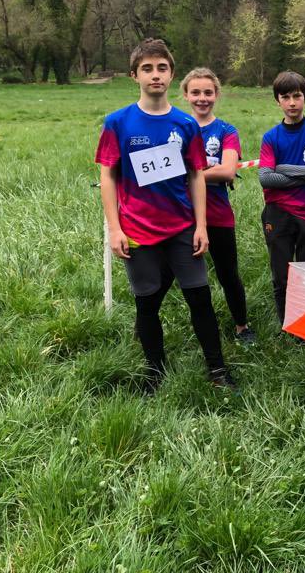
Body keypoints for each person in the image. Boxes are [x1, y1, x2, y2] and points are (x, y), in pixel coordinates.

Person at [95, 38, 235, 393]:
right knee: (146, 304)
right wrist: (114, 229)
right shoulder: (117, 123)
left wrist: (201, 225)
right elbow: (108, 176)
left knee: (200, 299)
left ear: (171, 74)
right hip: (138, 230)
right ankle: (154, 373)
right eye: (147, 69)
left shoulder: (186, 125)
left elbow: (195, 176)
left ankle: (217, 370)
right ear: (134, 75)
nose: (155, 75)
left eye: (161, 68)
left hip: (182, 230)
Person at [180, 67, 255, 345]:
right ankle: (147, 323)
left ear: (216, 95)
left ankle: (242, 326)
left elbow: (226, 171)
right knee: (167, 274)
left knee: (228, 273)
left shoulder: (226, 130)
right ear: (186, 95)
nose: (202, 98)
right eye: (196, 92)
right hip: (180, 216)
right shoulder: (176, 127)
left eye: (208, 92)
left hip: (218, 215)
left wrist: (187, 175)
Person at [258, 70, 305, 324]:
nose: (292, 103)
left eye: (297, 96)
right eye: (286, 97)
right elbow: (266, 178)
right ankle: (287, 323)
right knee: (281, 274)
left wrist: (283, 168)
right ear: (277, 100)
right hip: (278, 213)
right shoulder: (271, 137)